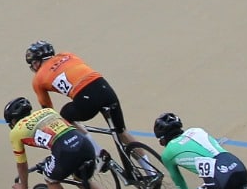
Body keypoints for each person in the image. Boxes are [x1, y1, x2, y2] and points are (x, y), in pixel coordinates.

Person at [26, 39, 153, 175]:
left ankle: (98, 153)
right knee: (121, 131)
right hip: (103, 87)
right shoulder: (67, 55)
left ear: (36, 62)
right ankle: (151, 171)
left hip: (85, 97)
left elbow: (48, 111)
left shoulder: (38, 79)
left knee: (64, 116)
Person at [4, 97, 106, 189]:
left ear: (13, 121)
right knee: (81, 179)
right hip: (84, 144)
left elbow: (21, 164)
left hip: (64, 151)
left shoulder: (16, 132)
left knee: (50, 180)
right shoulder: (48, 111)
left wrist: (23, 185)